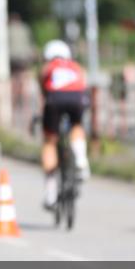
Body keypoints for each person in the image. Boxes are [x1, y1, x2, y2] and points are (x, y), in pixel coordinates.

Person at [38, 40, 89, 210]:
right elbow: (84, 83)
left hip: (54, 99)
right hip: (77, 98)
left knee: (50, 142)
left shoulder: (48, 68)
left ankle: (50, 193)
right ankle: (81, 161)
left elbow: (44, 93)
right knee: (77, 126)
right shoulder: (76, 66)